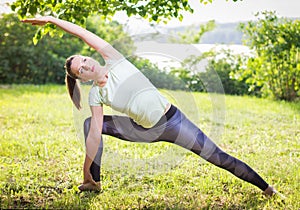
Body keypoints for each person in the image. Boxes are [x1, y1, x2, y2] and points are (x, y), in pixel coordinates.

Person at [22, 16, 276, 196]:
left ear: (90, 57)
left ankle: (267, 189)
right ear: (81, 78)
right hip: (141, 130)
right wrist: (86, 169)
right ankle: (94, 183)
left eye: (85, 60)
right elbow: (94, 135)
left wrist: (52, 20)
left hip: (173, 122)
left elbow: (82, 33)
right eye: (81, 70)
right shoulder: (94, 96)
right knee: (91, 125)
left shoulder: (114, 59)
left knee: (218, 157)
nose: (87, 65)